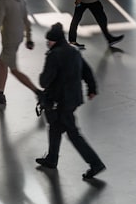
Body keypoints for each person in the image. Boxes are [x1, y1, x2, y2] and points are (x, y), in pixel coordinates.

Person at [35, 24, 106, 180]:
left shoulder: (54, 55)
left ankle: (95, 163)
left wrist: (42, 79)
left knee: (73, 134)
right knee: (54, 127)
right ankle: (52, 159)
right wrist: (92, 88)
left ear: (55, 41)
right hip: (73, 99)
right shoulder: (74, 52)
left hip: (61, 101)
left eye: (50, 41)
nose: (48, 43)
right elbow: (86, 71)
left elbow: (44, 81)